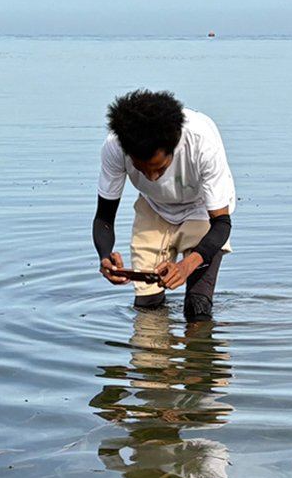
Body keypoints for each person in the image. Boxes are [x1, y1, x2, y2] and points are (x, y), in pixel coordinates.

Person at [93, 89, 236, 322]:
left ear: (174, 145)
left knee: (197, 308)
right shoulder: (115, 146)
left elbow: (221, 223)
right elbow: (104, 218)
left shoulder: (201, 144)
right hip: (153, 207)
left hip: (202, 209)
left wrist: (187, 265)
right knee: (147, 308)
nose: (152, 178)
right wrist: (105, 257)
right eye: (142, 169)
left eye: (160, 168)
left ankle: (198, 355)